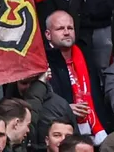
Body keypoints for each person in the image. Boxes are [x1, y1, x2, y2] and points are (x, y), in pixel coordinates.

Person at [45, 11, 108, 145]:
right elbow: (40, 102)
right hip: (61, 136)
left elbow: (98, 99)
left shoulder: (85, 56)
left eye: (70, 28)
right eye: (60, 28)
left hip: (94, 131)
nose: (67, 32)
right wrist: (66, 108)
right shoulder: (42, 61)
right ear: (48, 34)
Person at [9, 73, 78, 150]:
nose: (29, 87)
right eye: (24, 83)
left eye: (33, 83)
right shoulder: (8, 105)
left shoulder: (60, 105)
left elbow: (76, 142)